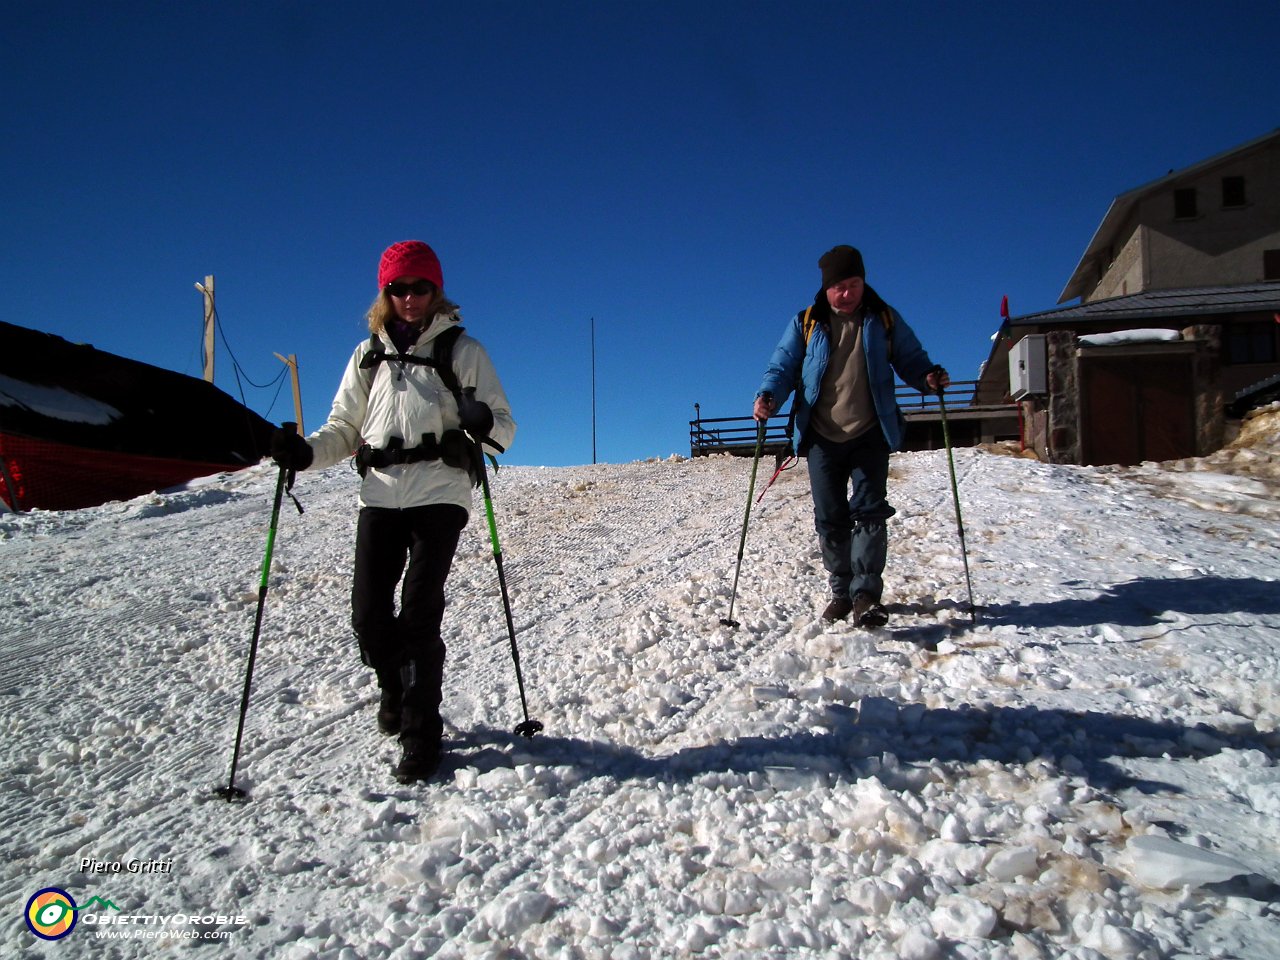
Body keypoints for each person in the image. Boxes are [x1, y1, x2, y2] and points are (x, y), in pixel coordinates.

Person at [270, 240, 516, 783]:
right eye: (398, 288)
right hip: (379, 492)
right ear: (385, 292)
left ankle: (420, 735)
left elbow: (504, 424)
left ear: (437, 291)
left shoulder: (462, 349)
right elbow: (343, 427)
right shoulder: (367, 355)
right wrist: (306, 453)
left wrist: (482, 423)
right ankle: (394, 686)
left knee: (420, 612)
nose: (409, 297)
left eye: (420, 287)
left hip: (440, 491)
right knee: (368, 617)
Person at [754, 245, 948, 627]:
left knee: (870, 512)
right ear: (826, 288)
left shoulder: (883, 319)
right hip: (822, 436)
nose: (847, 293)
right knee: (830, 518)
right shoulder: (806, 323)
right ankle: (841, 592)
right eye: (839, 286)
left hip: (870, 432)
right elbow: (782, 366)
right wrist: (768, 397)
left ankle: (865, 596)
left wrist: (928, 377)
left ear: (863, 282)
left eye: (854, 284)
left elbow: (911, 358)